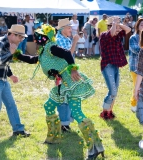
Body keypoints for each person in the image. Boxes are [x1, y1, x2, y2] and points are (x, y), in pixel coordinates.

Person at [13, 24, 104, 159]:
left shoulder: (51, 47)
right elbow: (33, 60)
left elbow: (67, 53)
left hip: (70, 82)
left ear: (47, 37)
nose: (38, 37)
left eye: (41, 35)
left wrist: (73, 68)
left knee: (77, 113)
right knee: (48, 105)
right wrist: (16, 55)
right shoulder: (44, 50)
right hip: (62, 84)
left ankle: (94, 147)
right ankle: (54, 136)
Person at [0, 24, 30, 137]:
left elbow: (4, 63)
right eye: (20, 37)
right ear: (12, 34)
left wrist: (11, 75)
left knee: (11, 104)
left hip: (1, 80)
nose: (21, 40)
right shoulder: (0, 43)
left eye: (22, 38)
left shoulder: (9, 44)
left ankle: (18, 130)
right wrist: (10, 53)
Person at [99, 16, 131, 120]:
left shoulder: (118, 34)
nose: (118, 30)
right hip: (107, 65)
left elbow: (128, 29)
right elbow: (111, 33)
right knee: (112, 91)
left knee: (115, 91)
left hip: (116, 65)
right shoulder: (104, 35)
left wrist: (118, 24)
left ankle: (109, 111)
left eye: (118, 28)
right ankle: (104, 112)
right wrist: (114, 24)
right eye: (116, 27)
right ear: (109, 27)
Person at [55, 18, 79, 131]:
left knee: (68, 96)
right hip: (62, 72)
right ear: (62, 29)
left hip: (67, 71)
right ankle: (64, 123)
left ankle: (66, 121)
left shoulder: (66, 38)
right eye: (69, 27)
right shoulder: (59, 40)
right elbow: (68, 54)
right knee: (64, 97)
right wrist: (74, 42)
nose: (71, 29)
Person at [129, 18, 143, 112]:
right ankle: (134, 104)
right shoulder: (133, 37)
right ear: (137, 26)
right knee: (137, 87)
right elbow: (135, 49)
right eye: (142, 24)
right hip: (135, 67)